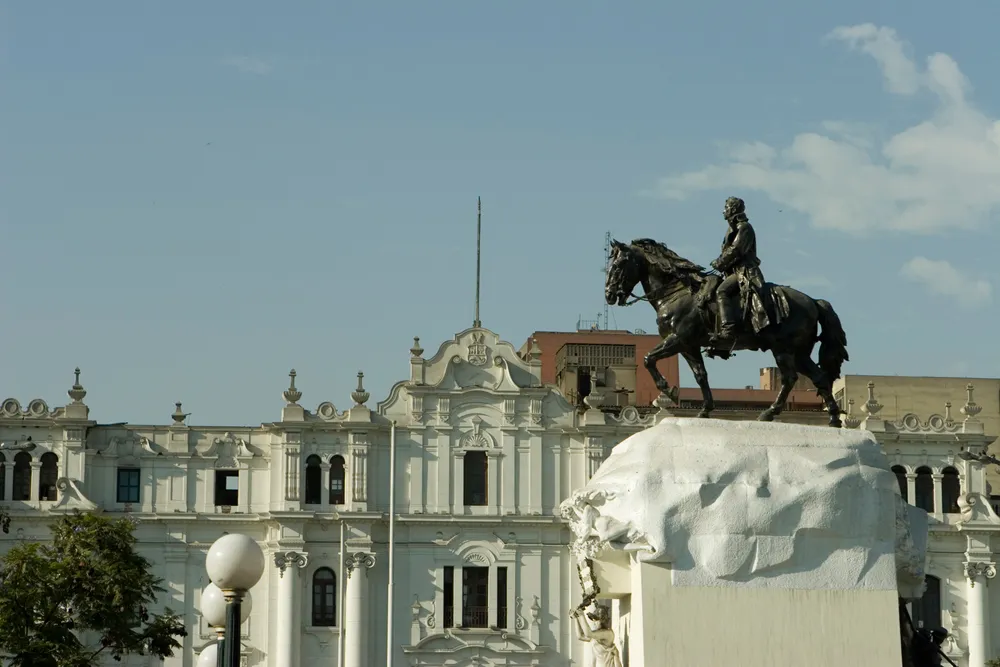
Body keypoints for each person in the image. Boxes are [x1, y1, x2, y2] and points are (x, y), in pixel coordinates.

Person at [707, 196, 771, 347]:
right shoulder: (732, 228)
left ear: (733, 209)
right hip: (734, 271)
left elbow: (736, 250)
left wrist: (719, 262)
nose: (724, 211)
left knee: (722, 291)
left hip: (745, 272)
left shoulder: (744, 227)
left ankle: (728, 330)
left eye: (726, 208)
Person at [571, 602, 623, 667]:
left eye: (596, 620)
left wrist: (581, 615)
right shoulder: (597, 635)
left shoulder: (608, 633)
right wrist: (576, 618)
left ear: (603, 620)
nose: (594, 622)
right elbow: (580, 636)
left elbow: (588, 634)